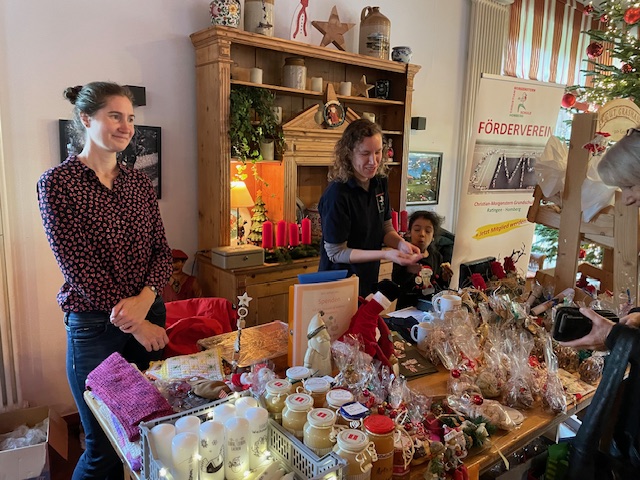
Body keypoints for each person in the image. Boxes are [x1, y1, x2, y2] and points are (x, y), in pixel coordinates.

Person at [37, 82, 172, 480]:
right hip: (95, 327)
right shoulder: (57, 184)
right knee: (104, 448)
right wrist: (135, 323)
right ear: (85, 118)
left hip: (150, 313)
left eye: (130, 118)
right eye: (115, 116)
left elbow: (162, 251)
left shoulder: (138, 184)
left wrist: (146, 300)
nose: (126, 126)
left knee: (152, 431)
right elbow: (79, 267)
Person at [318, 118, 422, 297]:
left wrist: (401, 244)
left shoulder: (379, 182)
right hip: (337, 286)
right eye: (365, 153)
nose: (373, 161)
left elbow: (385, 227)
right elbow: (336, 252)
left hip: (366, 279)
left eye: (378, 152)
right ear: (349, 154)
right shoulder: (337, 194)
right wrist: (385, 255)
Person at [392, 210, 454, 309]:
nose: (422, 234)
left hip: (430, 308)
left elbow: (439, 287)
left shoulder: (436, 256)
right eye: (417, 230)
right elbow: (396, 281)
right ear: (409, 232)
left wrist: (445, 278)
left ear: (433, 236)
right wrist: (408, 270)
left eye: (428, 231)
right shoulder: (403, 255)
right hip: (406, 309)